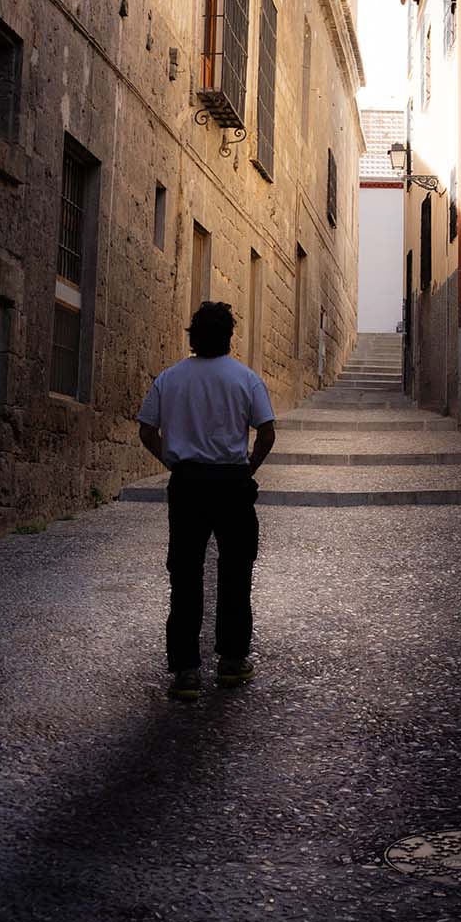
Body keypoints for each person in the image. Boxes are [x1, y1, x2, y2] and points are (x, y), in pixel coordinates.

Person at [137, 300, 276, 701]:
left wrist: (171, 459)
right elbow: (266, 433)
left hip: (188, 484)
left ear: (193, 337)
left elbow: (146, 429)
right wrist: (247, 468)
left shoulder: (170, 379)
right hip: (232, 484)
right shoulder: (245, 379)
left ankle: (186, 671)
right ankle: (232, 662)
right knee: (235, 573)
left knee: (184, 574)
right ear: (229, 337)